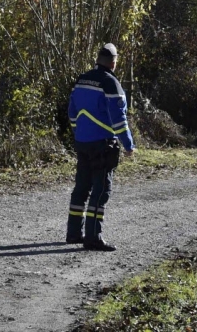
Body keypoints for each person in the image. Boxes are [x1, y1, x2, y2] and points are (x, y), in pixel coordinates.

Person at [65, 43, 135, 251]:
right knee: (101, 190)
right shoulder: (111, 83)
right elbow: (119, 119)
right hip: (103, 144)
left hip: (83, 143)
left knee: (81, 189)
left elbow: (72, 112)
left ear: (98, 60)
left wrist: (79, 132)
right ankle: (93, 237)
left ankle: (73, 233)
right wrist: (128, 144)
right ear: (114, 63)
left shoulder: (81, 79)